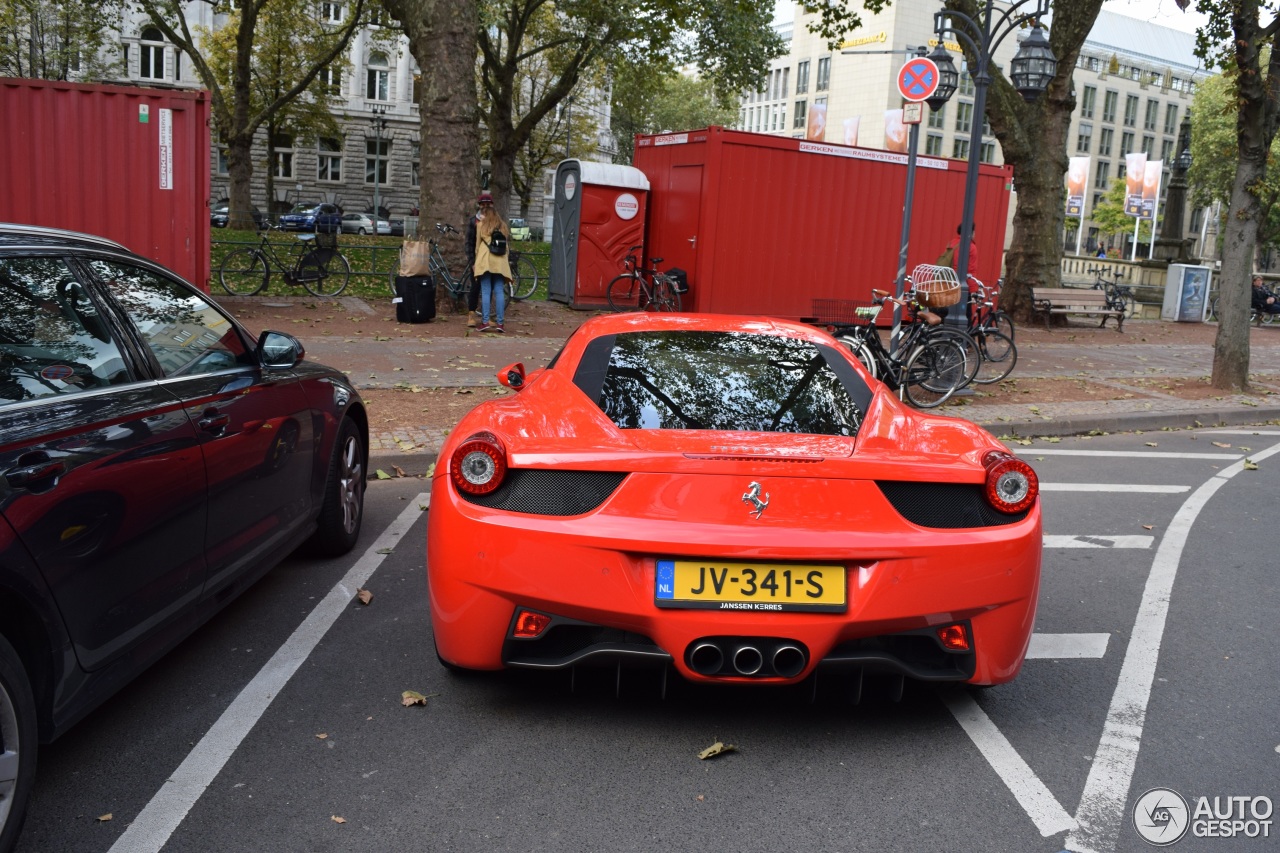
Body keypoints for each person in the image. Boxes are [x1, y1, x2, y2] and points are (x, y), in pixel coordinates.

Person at [470, 192, 512, 333]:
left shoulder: (481, 225)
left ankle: (485, 321)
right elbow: (506, 246)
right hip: (500, 262)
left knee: (486, 291)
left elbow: (477, 246)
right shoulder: (503, 226)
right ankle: (500, 323)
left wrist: (476, 261)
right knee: (499, 291)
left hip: (486, 261)